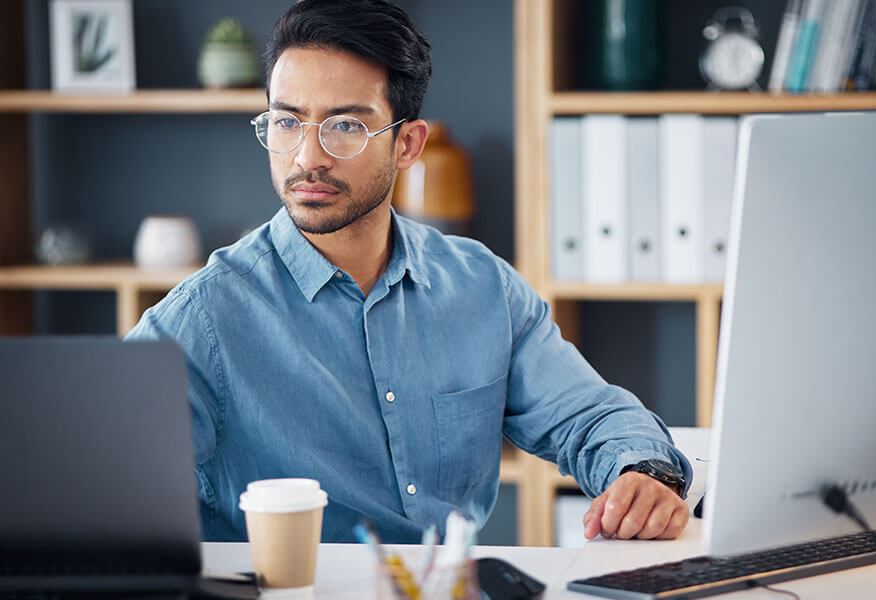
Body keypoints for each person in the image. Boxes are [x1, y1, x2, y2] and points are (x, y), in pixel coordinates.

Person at [126, 0, 692, 544]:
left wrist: (643, 476)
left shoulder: (482, 287)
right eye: (286, 122)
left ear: (407, 145)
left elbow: (592, 416)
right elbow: (92, 477)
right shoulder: (201, 321)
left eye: (344, 125)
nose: (307, 157)